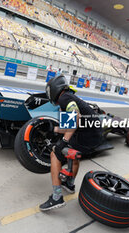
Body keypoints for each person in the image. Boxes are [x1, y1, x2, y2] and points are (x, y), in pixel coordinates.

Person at [39, 75, 103, 211]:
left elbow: (76, 117)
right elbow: (69, 125)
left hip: (85, 136)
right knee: (72, 153)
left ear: (55, 89)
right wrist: (55, 129)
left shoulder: (65, 98)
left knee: (55, 154)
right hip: (94, 136)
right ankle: (69, 184)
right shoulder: (69, 96)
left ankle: (56, 197)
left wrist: (63, 142)